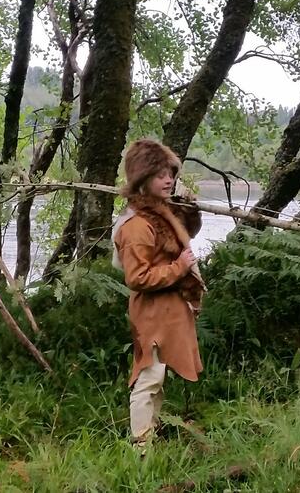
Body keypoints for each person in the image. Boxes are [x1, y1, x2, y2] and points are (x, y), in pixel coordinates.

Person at [112, 138, 206, 447]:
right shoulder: (136, 226)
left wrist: (189, 211)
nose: (168, 180)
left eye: (170, 174)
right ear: (142, 179)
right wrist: (179, 267)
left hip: (169, 308)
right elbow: (137, 277)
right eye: (160, 175)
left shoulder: (159, 212)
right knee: (149, 377)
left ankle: (148, 441)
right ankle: (141, 449)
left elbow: (181, 234)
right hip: (152, 311)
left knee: (158, 378)